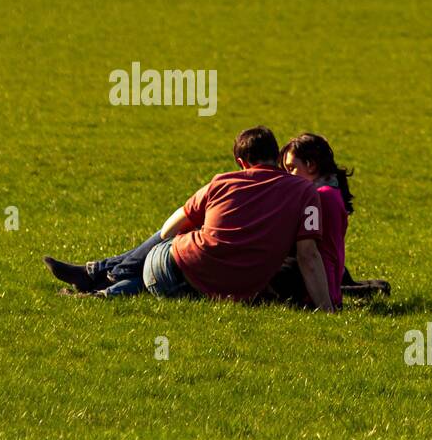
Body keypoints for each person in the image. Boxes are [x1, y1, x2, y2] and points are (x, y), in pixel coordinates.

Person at [43, 127, 336, 311]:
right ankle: (103, 286)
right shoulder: (304, 193)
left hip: (171, 268)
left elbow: (170, 228)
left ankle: (102, 274)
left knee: (174, 247)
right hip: (228, 290)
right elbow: (308, 256)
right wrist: (327, 309)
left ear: (241, 163)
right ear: (277, 157)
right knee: (175, 280)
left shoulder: (224, 181)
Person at [259, 134, 353, 310]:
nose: (288, 175)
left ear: (311, 165)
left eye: (292, 168)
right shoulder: (331, 191)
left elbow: (318, 254)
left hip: (313, 292)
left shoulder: (320, 197)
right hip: (328, 289)